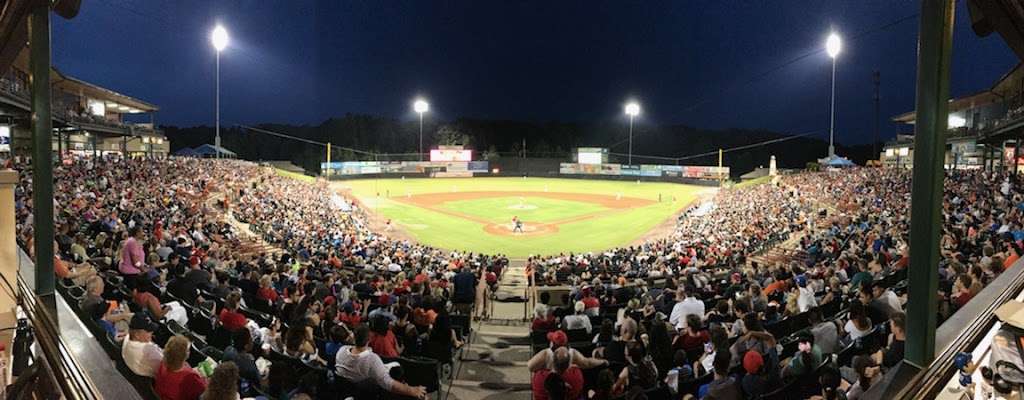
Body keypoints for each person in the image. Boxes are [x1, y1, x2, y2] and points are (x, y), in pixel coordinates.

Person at [334, 325, 427, 399]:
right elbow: (388, 383)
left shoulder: (341, 351)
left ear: (353, 337)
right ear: (368, 340)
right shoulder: (372, 359)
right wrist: (412, 390)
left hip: (346, 390)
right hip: (365, 392)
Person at [155, 336, 207, 400]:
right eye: (188, 350)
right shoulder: (190, 377)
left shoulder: (162, 363)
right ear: (186, 354)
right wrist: (204, 378)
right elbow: (203, 390)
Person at [122, 313, 163, 378]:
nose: (152, 333)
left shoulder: (127, 338)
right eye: (148, 331)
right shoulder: (148, 350)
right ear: (137, 335)